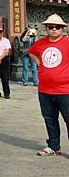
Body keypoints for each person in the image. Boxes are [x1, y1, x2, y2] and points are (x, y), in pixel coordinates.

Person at [28, 14, 69, 156]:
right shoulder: (41, 43)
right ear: (46, 28)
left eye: (57, 27)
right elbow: (32, 53)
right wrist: (40, 63)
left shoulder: (67, 43)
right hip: (45, 90)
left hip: (65, 90)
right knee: (50, 119)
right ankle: (53, 146)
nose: (53, 29)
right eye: (50, 27)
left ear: (62, 29)